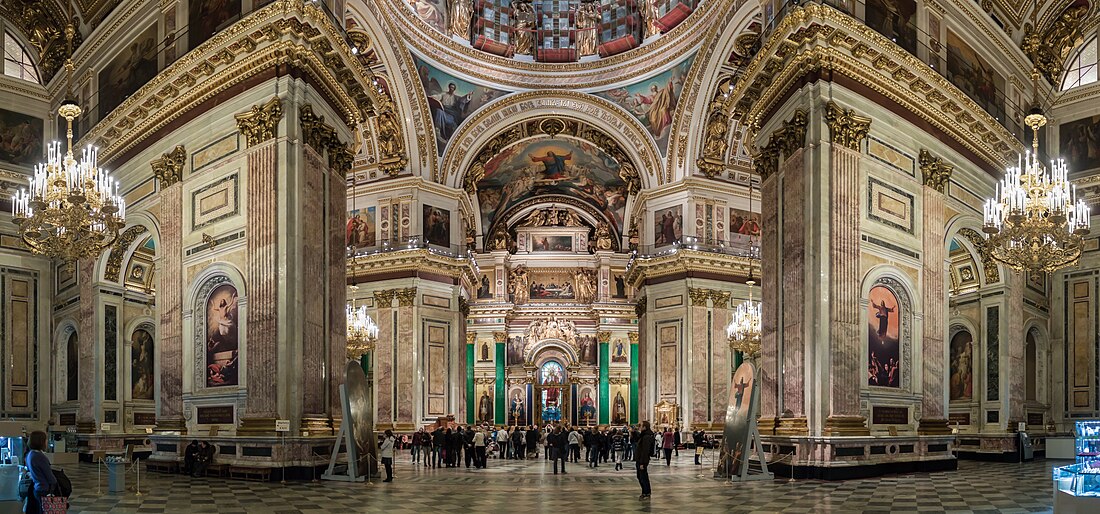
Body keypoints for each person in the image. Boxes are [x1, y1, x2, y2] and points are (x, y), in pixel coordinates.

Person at [24, 431, 57, 514]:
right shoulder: (39, 456)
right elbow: (49, 476)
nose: (47, 442)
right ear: (40, 441)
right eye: (45, 440)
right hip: (44, 488)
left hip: (37, 487)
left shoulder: (30, 454)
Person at [635, 421, 655, 500]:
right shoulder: (643, 435)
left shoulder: (646, 437)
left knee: (643, 477)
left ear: (645, 427)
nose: (639, 427)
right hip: (640, 459)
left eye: (641, 426)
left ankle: (646, 492)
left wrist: (642, 463)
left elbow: (645, 451)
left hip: (642, 460)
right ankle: (645, 492)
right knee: (640, 476)